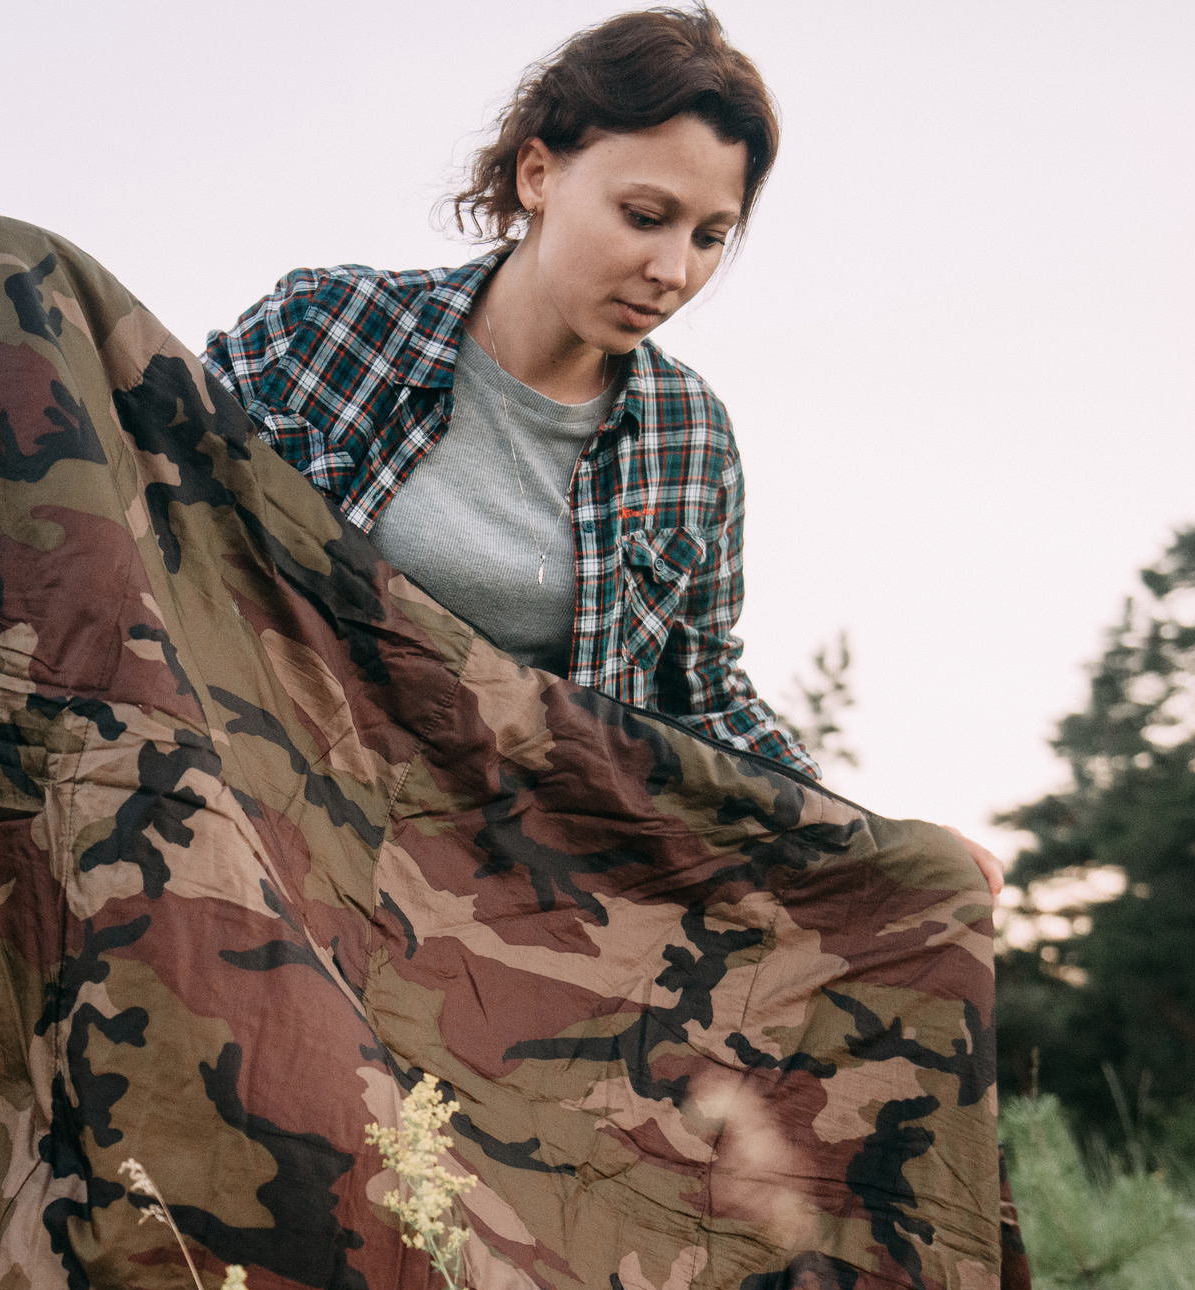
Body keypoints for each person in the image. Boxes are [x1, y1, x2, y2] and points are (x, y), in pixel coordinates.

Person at [201, 6, 1005, 892]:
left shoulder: (688, 436)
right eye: (644, 215)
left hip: (495, 886)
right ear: (539, 173)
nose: (674, 271)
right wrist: (34, 290)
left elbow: (702, 696)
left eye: (709, 237)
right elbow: (148, 469)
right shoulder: (331, 328)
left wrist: (875, 841)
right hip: (259, 803)